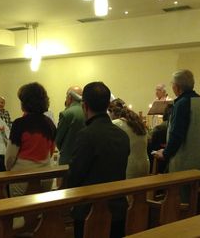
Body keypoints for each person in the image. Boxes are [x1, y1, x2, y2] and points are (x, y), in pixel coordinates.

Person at [68, 82, 130, 238]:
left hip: (90, 210)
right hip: (117, 209)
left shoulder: (86, 135)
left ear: (84, 106)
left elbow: (75, 175)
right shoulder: (122, 135)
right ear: (108, 105)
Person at [153, 70, 200, 199]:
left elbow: (177, 134)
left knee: (182, 202)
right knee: (198, 201)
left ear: (176, 87)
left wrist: (165, 153)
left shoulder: (182, 104)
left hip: (187, 164)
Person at [5, 82, 56, 197]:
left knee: (21, 212)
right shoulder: (50, 123)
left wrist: (9, 169)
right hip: (45, 175)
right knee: (41, 211)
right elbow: (51, 151)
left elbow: (10, 157)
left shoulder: (19, 124)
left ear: (25, 103)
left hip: (22, 177)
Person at [109, 100, 149, 179]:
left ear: (112, 112)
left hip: (129, 168)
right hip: (145, 166)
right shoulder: (137, 122)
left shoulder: (116, 124)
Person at [55, 86, 85, 165]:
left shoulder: (66, 113)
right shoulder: (88, 111)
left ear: (70, 97)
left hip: (68, 159)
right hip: (84, 159)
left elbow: (58, 140)